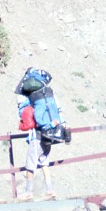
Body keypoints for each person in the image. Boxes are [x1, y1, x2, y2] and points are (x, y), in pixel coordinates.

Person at [14, 67, 67, 200]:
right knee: (43, 162)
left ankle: (28, 192)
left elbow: (28, 119)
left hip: (36, 136)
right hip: (49, 134)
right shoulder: (46, 96)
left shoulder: (30, 100)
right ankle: (50, 189)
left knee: (30, 164)